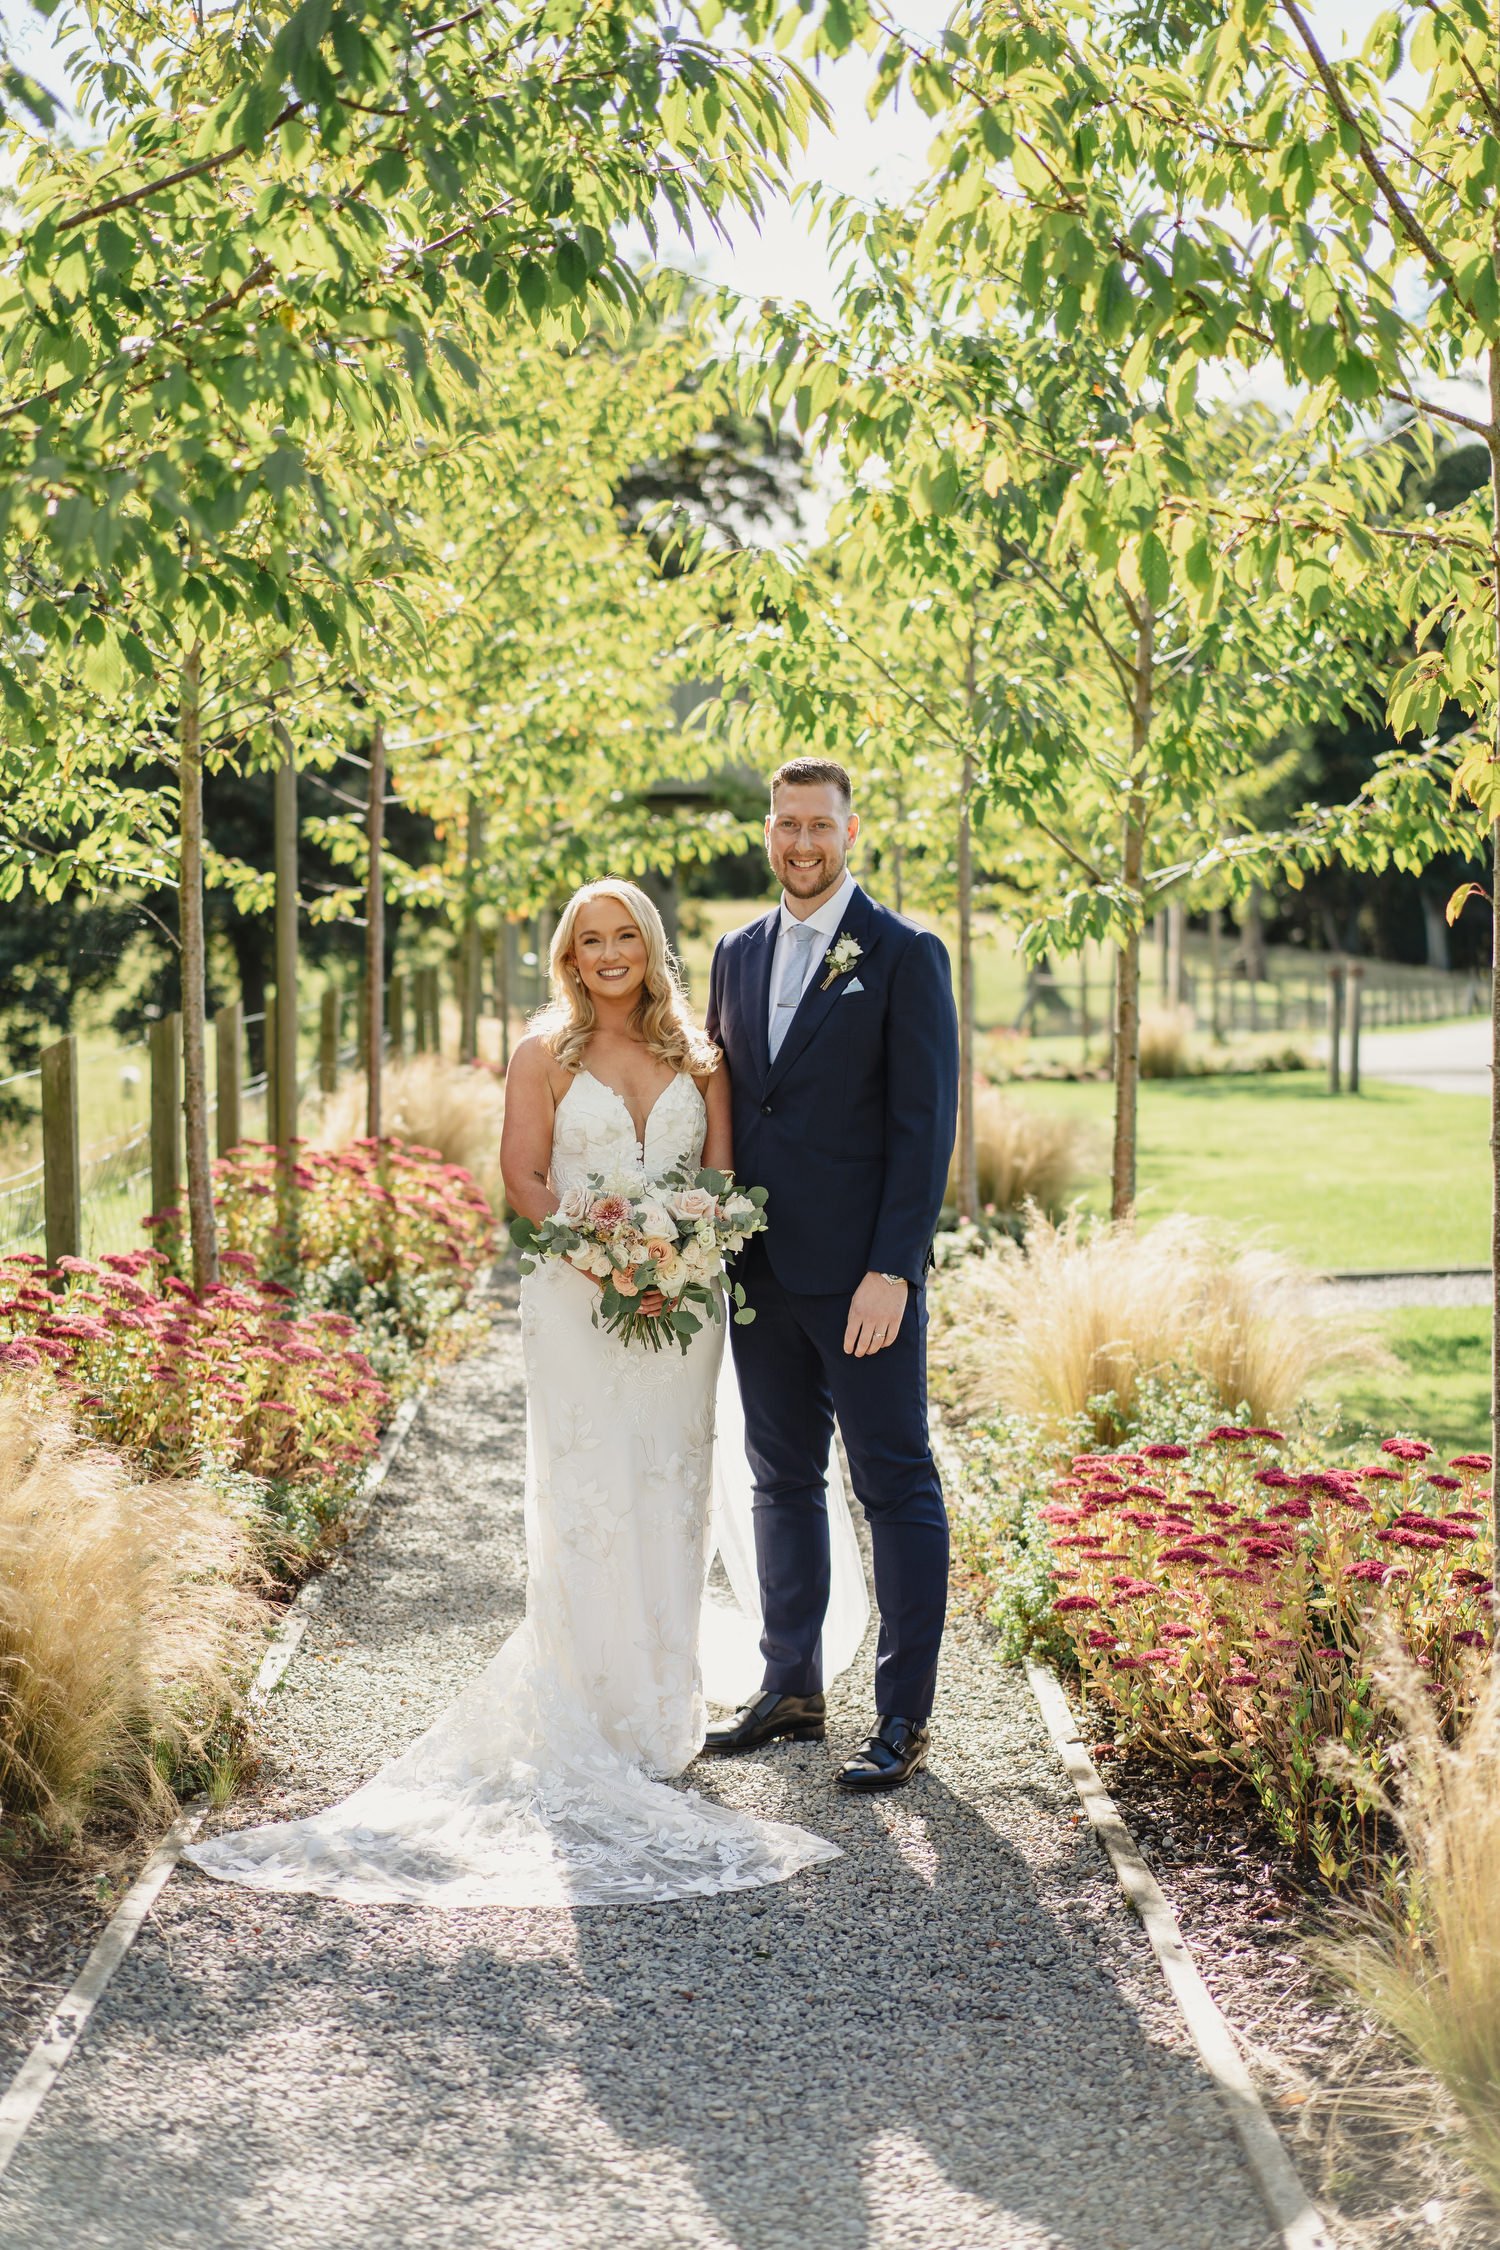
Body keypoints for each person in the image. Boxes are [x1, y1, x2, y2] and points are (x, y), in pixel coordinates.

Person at [184, 880, 850, 1907]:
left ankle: (661, 1713)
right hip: (577, 1303)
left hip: (683, 1310)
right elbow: (525, 1179)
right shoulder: (545, 1053)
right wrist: (612, 1262)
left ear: (651, 947)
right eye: (593, 940)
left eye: (627, 935)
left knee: (668, 1496)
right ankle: (590, 1706)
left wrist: (678, 1258)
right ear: (569, 957)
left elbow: (720, 1180)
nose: (612, 953)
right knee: (588, 1492)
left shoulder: (698, 1058)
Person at [703, 759, 959, 1792]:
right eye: (785, 824)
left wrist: (892, 1269)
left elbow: (922, 1126)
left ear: (851, 831)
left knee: (893, 1482)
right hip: (759, 1274)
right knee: (779, 1481)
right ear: (767, 831)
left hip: (863, 1283)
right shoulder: (735, 951)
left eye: (820, 825)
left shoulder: (902, 954)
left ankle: (904, 1717)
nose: (801, 843)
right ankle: (791, 1685)